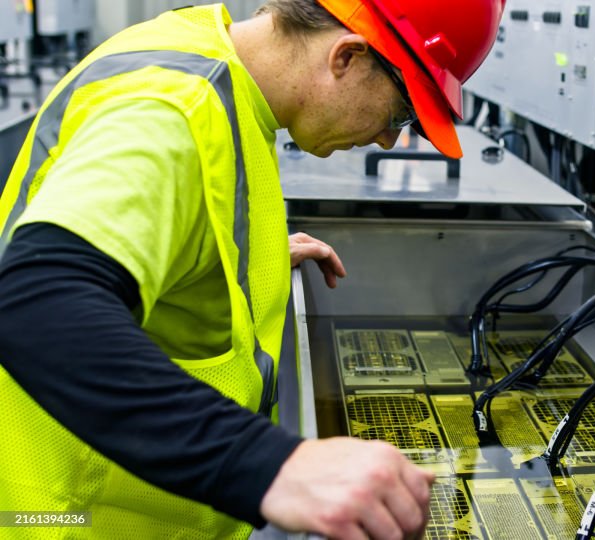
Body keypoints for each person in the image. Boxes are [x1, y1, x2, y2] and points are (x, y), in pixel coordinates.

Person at [0, 0, 503, 538]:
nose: (387, 138)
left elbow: (160, 210)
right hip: (74, 518)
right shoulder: (175, 110)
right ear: (347, 57)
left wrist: (213, 257)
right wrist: (271, 465)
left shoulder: (214, 64)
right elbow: (38, 300)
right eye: (401, 113)